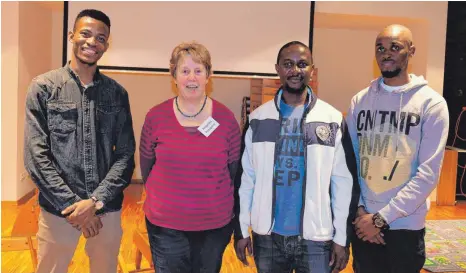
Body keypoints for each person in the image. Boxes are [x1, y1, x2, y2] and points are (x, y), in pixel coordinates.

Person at [24, 9, 135, 273]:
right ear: (72, 35)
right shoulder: (43, 88)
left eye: (100, 38)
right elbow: (35, 157)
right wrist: (73, 207)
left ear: (106, 45)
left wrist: (95, 203)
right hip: (58, 211)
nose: (92, 42)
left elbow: (126, 155)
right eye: (85, 34)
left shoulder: (117, 94)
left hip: (105, 210)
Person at [235, 41, 359, 273]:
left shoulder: (331, 119)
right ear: (277, 69)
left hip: (316, 238)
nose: (295, 70)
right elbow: (245, 180)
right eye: (288, 64)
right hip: (268, 237)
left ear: (312, 69)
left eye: (302, 64)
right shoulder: (258, 120)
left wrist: (341, 238)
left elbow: (344, 183)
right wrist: (241, 230)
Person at [347, 24, 449, 273]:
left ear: (411, 51)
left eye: (395, 47)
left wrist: (381, 220)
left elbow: (428, 175)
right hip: (364, 222)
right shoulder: (360, 101)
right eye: (380, 48)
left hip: (405, 226)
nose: (386, 53)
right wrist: (362, 212)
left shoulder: (432, 104)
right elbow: (351, 162)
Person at [139, 41, 241, 273]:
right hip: (166, 225)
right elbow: (147, 167)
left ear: (209, 75)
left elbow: (232, 171)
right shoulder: (156, 117)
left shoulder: (226, 120)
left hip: (214, 226)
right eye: (184, 71)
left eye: (198, 71)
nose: (191, 78)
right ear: (173, 76)